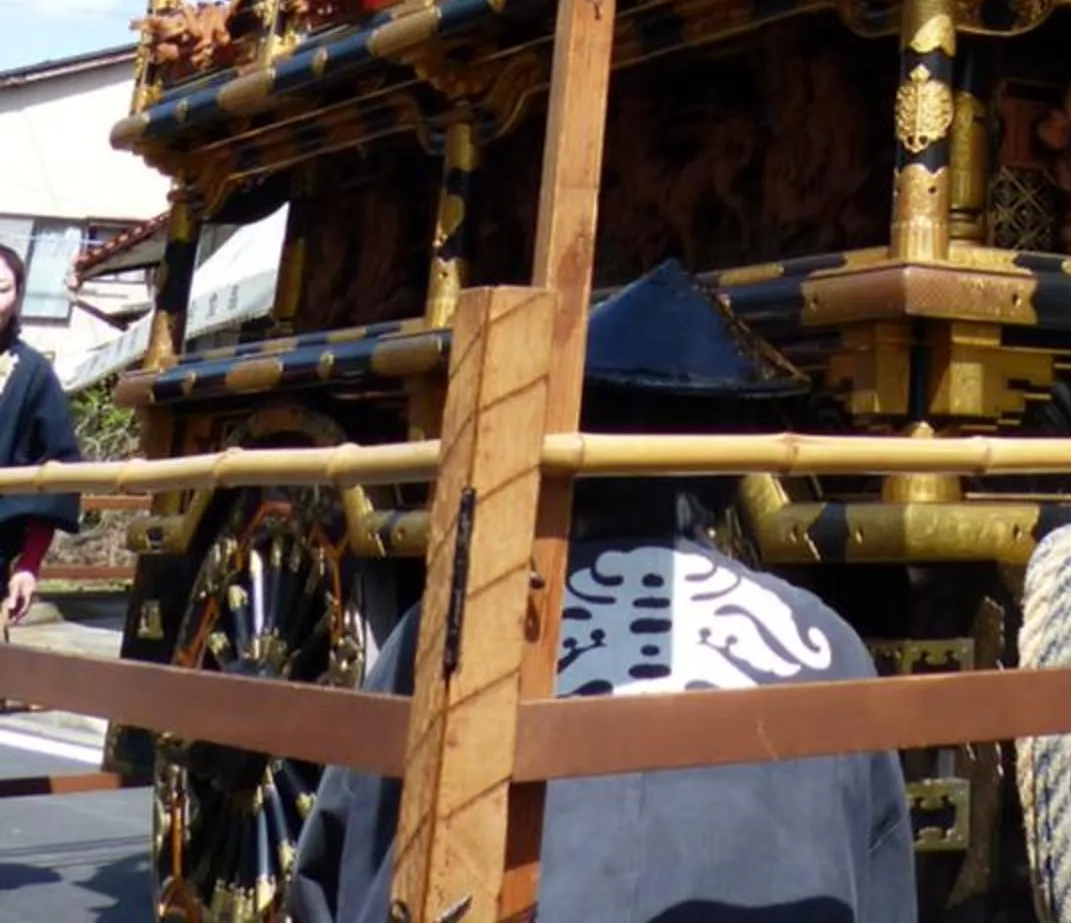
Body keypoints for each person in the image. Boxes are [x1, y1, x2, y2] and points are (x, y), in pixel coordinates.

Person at [289, 260, 914, 923]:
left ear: (568, 448)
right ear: (730, 469)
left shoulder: (451, 630)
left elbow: (331, 870)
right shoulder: (824, 646)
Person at [0, 239, 82, 633]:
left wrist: (29, 563)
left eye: (2, 288)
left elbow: (57, 470)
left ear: (17, 297)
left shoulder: (33, 374)